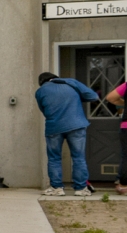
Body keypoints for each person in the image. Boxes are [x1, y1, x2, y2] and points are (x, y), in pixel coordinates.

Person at [36, 70, 102, 198]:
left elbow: (43, 110)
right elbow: (93, 96)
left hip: (54, 127)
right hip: (77, 125)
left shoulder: (40, 91)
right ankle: (81, 188)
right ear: (55, 78)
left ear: (42, 82)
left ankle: (57, 188)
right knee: (78, 157)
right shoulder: (71, 82)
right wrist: (76, 97)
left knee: (54, 157)